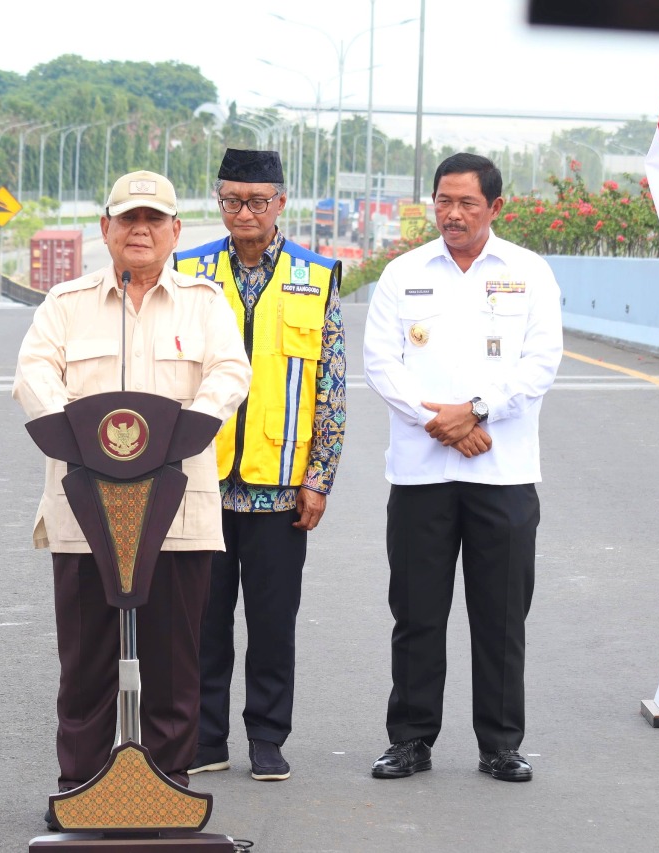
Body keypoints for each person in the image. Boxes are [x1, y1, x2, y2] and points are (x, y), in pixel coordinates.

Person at [13, 170, 250, 803]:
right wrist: (79, 438)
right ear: (105, 229)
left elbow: (230, 373)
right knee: (86, 666)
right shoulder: (66, 304)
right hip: (85, 510)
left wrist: (187, 429)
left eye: (153, 220)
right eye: (128, 219)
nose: (140, 230)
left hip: (177, 512)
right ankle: (81, 789)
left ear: (176, 231)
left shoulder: (204, 303)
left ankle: (166, 790)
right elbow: (33, 374)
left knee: (174, 666)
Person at [361, 152, 562, 783]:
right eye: (444, 201)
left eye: (467, 203)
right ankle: (410, 740)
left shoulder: (529, 272)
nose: (452, 214)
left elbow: (540, 362)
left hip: (503, 476)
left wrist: (475, 412)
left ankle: (500, 745)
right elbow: (381, 364)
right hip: (421, 474)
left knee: (501, 618)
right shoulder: (403, 273)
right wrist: (441, 423)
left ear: (494, 207)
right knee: (416, 613)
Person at [174, 149, 346, 782]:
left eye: (256, 201)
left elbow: (331, 387)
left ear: (279, 203)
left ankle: (268, 737)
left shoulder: (316, 276)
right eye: (231, 200)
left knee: (273, 623)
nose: (243, 212)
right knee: (202, 622)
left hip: (280, 488)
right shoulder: (188, 272)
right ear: (219, 201)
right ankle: (205, 738)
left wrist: (319, 479)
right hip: (201, 482)